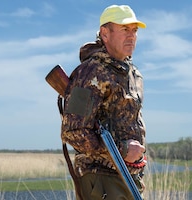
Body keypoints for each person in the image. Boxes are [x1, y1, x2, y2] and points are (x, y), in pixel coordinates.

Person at [61, 4, 147, 200]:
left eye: (134, 31)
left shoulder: (134, 74)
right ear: (105, 33)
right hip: (101, 179)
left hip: (129, 177)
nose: (132, 36)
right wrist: (123, 150)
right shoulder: (91, 71)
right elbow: (73, 131)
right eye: (125, 29)